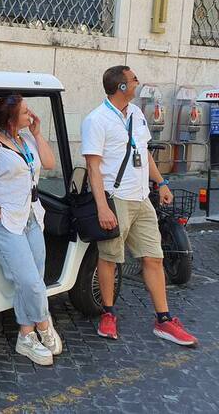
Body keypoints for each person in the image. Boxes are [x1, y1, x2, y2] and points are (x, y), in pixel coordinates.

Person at [81, 65, 197, 346]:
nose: (137, 82)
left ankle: (164, 320)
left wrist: (162, 183)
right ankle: (108, 314)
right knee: (110, 258)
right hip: (116, 198)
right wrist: (102, 207)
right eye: (133, 80)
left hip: (142, 197)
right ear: (121, 87)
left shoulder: (136, 113)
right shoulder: (96, 120)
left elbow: (143, 153)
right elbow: (93, 168)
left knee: (154, 257)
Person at [0, 94, 62, 366]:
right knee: (30, 282)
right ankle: (44, 325)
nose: (30, 114)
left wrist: (37, 133)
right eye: (25, 112)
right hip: (5, 221)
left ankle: (26, 334)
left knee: (36, 277)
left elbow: (49, 163)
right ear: (11, 119)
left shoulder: (26, 140)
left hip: (32, 216)